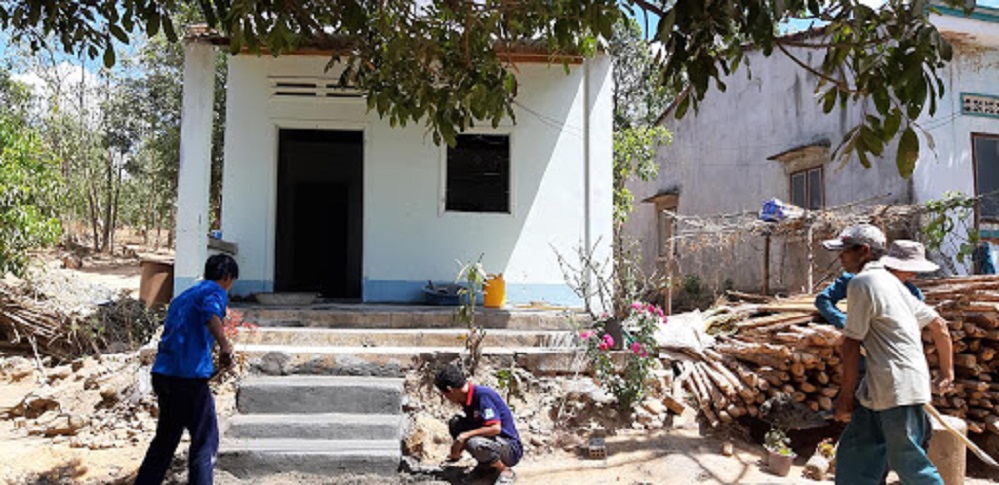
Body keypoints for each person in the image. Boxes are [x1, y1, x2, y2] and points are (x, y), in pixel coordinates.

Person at [822, 224, 954, 485]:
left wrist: (845, 398)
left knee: (909, 463)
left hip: (896, 388)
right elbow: (939, 325)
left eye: (845, 251)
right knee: (854, 458)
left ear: (864, 250)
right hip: (881, 388)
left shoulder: (862, 282)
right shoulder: (893, 284)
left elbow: (851, 344)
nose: (841, 258)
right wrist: (946, 372)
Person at [134, 254, 239, 485]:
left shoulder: (183, 296)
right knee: (205, 440)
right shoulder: (215, 292)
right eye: (232, 281)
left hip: (163, 374)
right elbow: (211, 314)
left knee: (165, 439)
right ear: (227, 277)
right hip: (188, 376)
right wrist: (224, 345)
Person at [435, 364, 522, 485]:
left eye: (446, 395)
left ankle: (505, 471)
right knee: (456, 424)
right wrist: (456, 451)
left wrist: (464, 436)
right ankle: (485, 468)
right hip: (493, 442)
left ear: (450, 390)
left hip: (510, 448)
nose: (447, 398)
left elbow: (495, 428)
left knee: (474, 442)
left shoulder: (482, 395)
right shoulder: (466, 399)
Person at [815, 240, 931, 329]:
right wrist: (844, 322)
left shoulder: (913, 293)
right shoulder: (855, 280)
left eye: (914, 271)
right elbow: (823, 299)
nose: (913, 275)